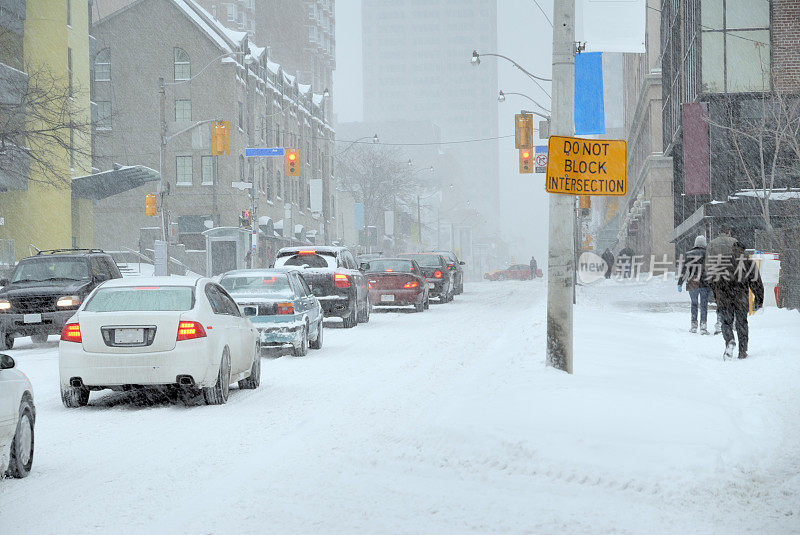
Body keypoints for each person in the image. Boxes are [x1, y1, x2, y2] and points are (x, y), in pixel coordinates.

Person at [705, 228, 764, 359]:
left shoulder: (722, 261)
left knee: (726, 322)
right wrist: (759, 299)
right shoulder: (749, 263)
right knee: (742, 323)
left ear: (733, 249)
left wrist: (717, 295)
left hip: (724, 297)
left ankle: (729, 341)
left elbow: (713, 280)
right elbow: (757, 283)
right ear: (743, 251)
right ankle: (742, 351)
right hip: (741, 297)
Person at [677, 235, 710, 334]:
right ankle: (703, 326)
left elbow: (684, 270)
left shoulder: (688, 254)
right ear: (704, 243)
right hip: (705, 282)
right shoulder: (708, 254)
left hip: (692, 282)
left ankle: (694, 325)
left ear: (695, 243)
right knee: (704, 305)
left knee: (694, 304)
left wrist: (680, 283)